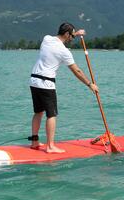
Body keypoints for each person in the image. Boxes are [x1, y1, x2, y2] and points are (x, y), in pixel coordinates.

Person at [29, 22, 98, 153]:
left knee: (38, 112)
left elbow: (62, 36)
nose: (72, 39)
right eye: (72, 36)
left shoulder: (47, 39)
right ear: (67, 34)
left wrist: (76, 34)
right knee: (52, 115)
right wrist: (90, 84)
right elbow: (76, 71)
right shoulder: (64, 51)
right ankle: (50, 146)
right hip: (46, 84)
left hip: (34, 80)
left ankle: (34, 142)